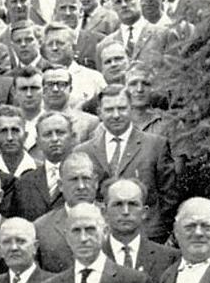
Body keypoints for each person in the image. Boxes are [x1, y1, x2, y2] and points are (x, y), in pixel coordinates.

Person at [74, 84, 177, 241]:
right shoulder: (84, 151)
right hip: (102, 237)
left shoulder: (156, 145)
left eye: (121, 108)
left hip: (148, 236)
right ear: (99, 112)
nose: (116, 115)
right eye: (109, 110)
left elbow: (169, 197)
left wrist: (157, 230)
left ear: (131, 109)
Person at [101, 178, 179, 283]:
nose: (125, 212)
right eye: (118, 204)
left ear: (144, 212)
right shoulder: (94, 256)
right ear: (105, 212)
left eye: (133, 204)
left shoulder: (169, 258)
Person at [34, 152, 99, 273]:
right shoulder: (42, 228)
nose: (81, 186)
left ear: (96, 182)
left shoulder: (112, 219)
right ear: (60, 185)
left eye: (86, 178)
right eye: (74, 180)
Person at [97, 0, 175, 70]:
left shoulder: (164, 35)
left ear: (140, 0)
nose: (124, 5)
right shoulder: (104, 45)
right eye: (118, 2)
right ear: (113, 6)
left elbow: (174, 72)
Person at [11, 111, 73, 220]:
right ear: (38, 141)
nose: (54, 139)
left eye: (60, 133)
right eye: (48, 134)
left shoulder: (85, 176)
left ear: (72, 137)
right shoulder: (24, 183)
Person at [0, 105, 36, 178]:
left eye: (15, 131)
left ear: (25, 136)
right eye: (4, 131)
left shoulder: (43, 171)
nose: (10, 138)